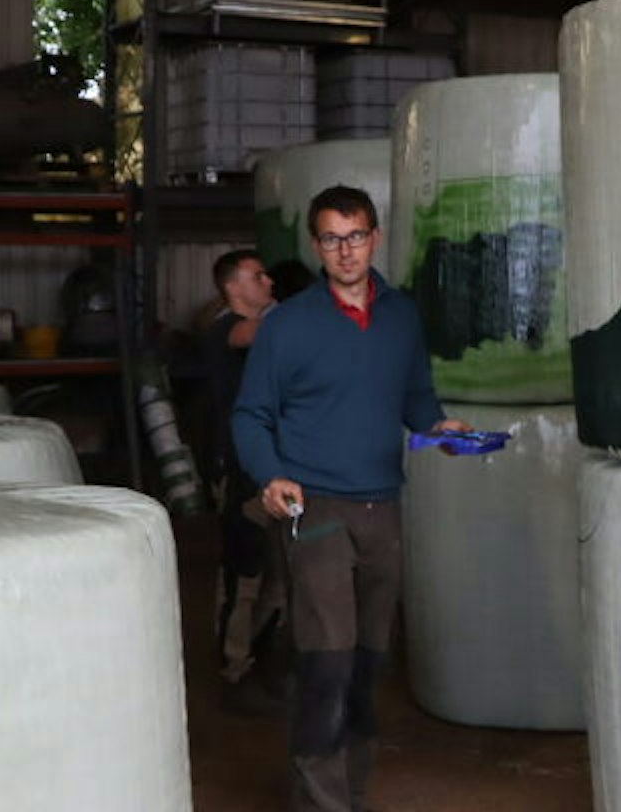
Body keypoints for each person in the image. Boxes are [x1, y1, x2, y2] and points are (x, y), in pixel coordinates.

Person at [232, 185, 466, 812]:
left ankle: (350, 793)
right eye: (332, 239)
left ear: (374, 238)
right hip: (316, 508)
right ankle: (321, 802)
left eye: (356, 235)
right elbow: (251, 414)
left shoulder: (401, 316)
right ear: (316, 246)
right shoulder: (288, 326)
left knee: (368, 662)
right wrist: (270, 475)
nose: (346, 250)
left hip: (382, 507)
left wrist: (438, 427)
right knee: (326, 661)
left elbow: (414, 395)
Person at [205, 248, 286, 708]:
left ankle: (260, 658)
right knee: (243, 573)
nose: (268, 282)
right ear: (233, 287)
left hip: (274, 470)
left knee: (278, 570)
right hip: (239, 470)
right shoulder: (226, 331)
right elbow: (250, 334)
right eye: (258, 276)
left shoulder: (267, 336)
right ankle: (234, 671)